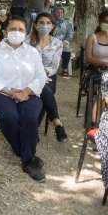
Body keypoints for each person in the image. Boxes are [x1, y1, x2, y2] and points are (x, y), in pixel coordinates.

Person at [0, 16, 47, 182]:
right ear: (5, 31)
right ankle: (25, 150)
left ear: (26, 33)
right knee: (10, 117)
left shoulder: (32, 52)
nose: (16, 32)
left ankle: (27, 161)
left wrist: (26, 91)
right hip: (1, 93)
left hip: (28, 93)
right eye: (13, 29)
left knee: (30, 117)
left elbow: (41, 76)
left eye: (20, 29)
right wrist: (10, 92)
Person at [26, 13, 68, 142]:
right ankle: (57, 123)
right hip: (29, 76)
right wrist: (37, 75)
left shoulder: (57, 43)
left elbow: (54, 67)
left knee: (44, 90)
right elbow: (24, 63)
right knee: (45, 91)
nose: (45, 25)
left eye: (48, 23)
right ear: (35, 25)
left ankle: (33, 130)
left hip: (49, 76)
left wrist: (42, 75)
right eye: (41, 22)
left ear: (53, 26)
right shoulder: (27, 41)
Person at [53, 6, 74, 76]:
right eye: (58, 12)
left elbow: (70, 34)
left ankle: (64, 68)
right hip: (52, 42)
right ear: (55, 13)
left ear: (63, 14)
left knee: (67, 49)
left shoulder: (68, 23)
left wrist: (66, 41)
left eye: (61, 13)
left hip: (63, 42)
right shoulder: (51, 22)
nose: (59, 14)